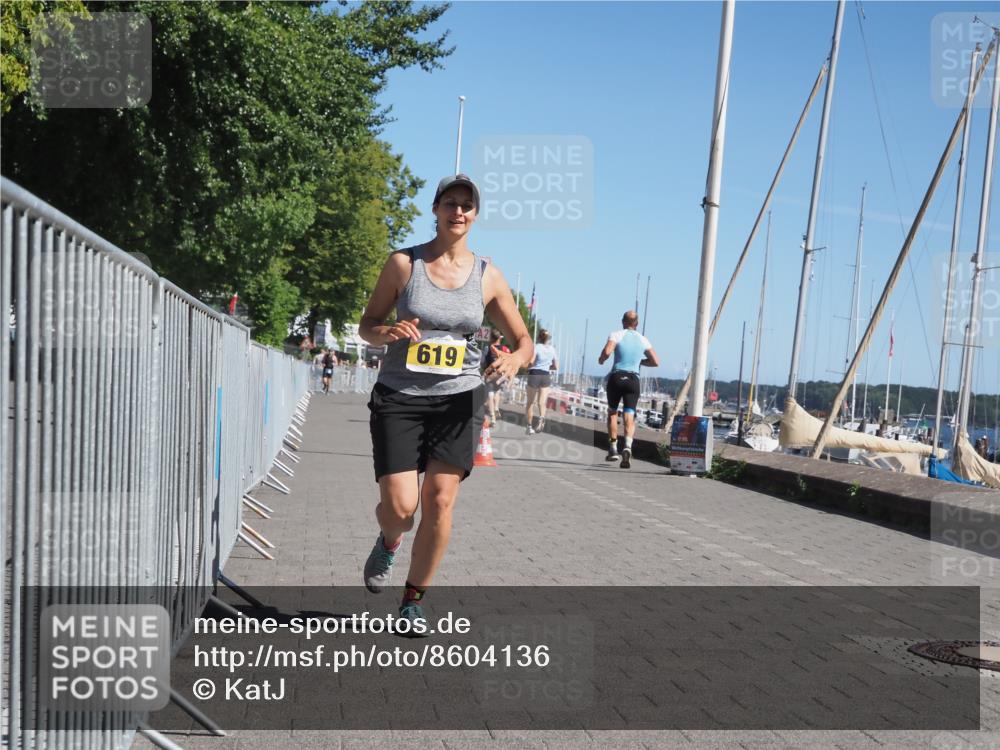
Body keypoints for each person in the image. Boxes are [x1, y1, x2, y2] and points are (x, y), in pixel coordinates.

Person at [358, 174, 533, 630]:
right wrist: (386, 333)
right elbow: (368, 324)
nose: (458, 212)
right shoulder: (404, 264)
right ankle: (390, 541)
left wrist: (515, 359)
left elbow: (524, 341)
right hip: (400, 397)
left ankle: (412, 601)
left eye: (467, 206)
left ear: (476, 215)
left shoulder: (487, 275)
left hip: (459, 401)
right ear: (435, 209)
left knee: (439, 500)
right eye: (450, 203)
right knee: (400, 508)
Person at [598, 310, 659, 468]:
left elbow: (606, 352)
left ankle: (613, 448)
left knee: (612, 413)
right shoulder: (643, 339)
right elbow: (655, 361)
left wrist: (601, 359)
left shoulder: (616, 335)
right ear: (636, 324)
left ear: (623, 321)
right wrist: (640, 361)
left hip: (617, 378)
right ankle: (628, 446)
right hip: (633, 380)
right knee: (629, 415)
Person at [524, 329, 557, 434]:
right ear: (549, 339)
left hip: (535, 374)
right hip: (545, 375)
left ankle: (529, 427)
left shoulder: (537, 347)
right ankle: (541, 419)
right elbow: (556, 366)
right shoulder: (552, 349)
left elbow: (531, 361)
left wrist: (527, 367)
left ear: (539, 337)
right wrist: (547, 366)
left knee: (530, 402)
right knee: (542, 402)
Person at [481, 329, 510, 424]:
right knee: (497, 391)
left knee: (490, 394)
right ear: (499, 338)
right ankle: (497, 407)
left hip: (491, 374)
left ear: (491, 338)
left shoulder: (488, 348)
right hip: (501, 375)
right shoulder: (505, 349)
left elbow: (483, 362)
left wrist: (484, 370)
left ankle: (492, 417)